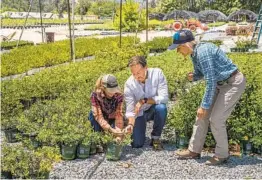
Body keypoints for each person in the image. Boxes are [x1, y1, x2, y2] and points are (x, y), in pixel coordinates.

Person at [168, 30, 246, 165]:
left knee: (216, 119)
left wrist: (204, 105)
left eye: (178, 48)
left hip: (233, 83)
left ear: (186, 44)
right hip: (220, 83)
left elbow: (210, 81)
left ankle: (222, 155)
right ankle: (194, 150)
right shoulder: (195, 53)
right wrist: (195, 76)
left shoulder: (203, 52)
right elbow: (203, 74)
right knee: (201, 116)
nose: (178, 51)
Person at [123, 56, 169, 150]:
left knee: (161, 108)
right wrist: (131, 124)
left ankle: (155, 137)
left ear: (146, 67)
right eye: (133, 73)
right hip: (139, 113)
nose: (136, 76)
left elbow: (164, 97)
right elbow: (130, 109)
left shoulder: (157, 73)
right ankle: (139, 128)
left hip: (153, 109)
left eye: (138, 72)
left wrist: (143, 101)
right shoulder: (129, 84)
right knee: (137, 144)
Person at [88, 74, 124, 151]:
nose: (113, 93)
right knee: (92, 114)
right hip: (100, 120)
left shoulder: (119, 95)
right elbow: (98, 115)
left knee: (117, 135)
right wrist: (110, 129)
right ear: (103, 88)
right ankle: (98, 139)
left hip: (112, 118)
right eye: (110, 90)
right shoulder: (95, 95)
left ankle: (110, 138)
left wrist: (118, 130)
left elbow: (119, 114)